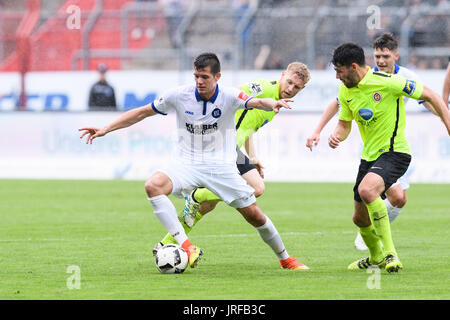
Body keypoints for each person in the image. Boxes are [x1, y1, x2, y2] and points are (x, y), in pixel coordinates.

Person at [79, 53, 308, 270]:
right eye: (196, 76)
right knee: (153, 186)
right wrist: (106, 128)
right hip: (187, 162)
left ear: (217, 77)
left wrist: (267, 111)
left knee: (252, 213)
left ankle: (286, 259)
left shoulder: (231, 96)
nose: (199, 81)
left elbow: (254, 104)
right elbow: (142, 112)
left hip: (221, 163)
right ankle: (186, 246)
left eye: (205, 77)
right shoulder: (179, 94)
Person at [154, 62, 310, 254]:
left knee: (208, 205)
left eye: (296, 87)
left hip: (232, 148)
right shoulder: (263, 87)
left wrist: (253, 156)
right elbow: (232, 94)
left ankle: (166, 243)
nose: (290, 89)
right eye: (289, 82)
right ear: (283, 75)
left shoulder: (277, 102)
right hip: (222, 146)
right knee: (256, 187)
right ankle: (197, 196)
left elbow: (248, 126)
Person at [306, 33, 439, 251]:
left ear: (395, 55)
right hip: (370, 149)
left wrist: (444, 117)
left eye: (385, 56)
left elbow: (429, 100)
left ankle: (381, 244)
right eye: (377, 56)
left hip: (394, 148)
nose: (381, 61)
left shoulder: (403, 78)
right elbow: (339, 104)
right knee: (384, 199)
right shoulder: (360, 78)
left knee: (397, 198)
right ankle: (371, 235)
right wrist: (319, 130)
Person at [327, 42, 449, 273]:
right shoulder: (345, 90)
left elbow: (431, 95)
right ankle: (375, 258)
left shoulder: (388, 81)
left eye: (339, 71)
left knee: (367, 190)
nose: (337, 76)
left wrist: (448, 123)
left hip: (396, 153)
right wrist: (337, 136)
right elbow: (344, 124)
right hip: (369, 158)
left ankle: (391, 254)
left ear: (353, 67)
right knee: (359, 219)